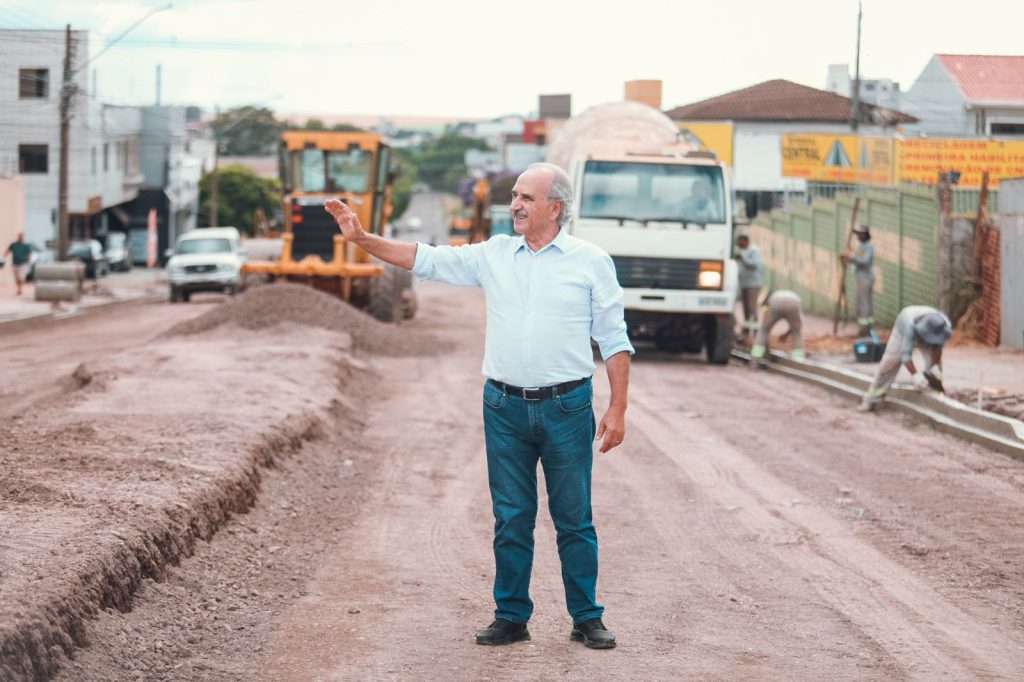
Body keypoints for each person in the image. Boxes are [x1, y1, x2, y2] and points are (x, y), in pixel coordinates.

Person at [324, 162, 633, 650]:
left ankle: (586, 617)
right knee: (511, 517)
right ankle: (511, 615)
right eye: (514, 195)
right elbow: (423, 258)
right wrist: (362, 238)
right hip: (504, 407)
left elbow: (614, 339)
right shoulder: (493, 254)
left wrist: (617, 409)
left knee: (574, 518)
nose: (514, 204)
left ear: (555, 207)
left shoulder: (590, 261)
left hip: (567, 407)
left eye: (526, 198)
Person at [859, 305, 951, 412]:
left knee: (935, 370)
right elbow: (905, 355)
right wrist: (915, 375)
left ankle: (934, 398)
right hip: (902, 331)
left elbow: (937, 348)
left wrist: (934, 367)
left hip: (929, 333)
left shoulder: (944, 325)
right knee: (889, 362)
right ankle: (872, 399)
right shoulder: (910, 325)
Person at [749, 289, 804, 366]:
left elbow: (765, 318)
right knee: (796, 333)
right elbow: (798, 326)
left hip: (775, 302)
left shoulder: (772, 297)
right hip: (793, 303)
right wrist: (786, 334)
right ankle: (799, 361)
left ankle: (755, 359)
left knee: (763, 331)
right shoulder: (795, 298)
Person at [842, 224, 874, 336]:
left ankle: (865, 330)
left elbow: (864, 261)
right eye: (857, 233)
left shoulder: (868, 246)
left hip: (865, 277)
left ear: (865, 234)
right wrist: (847, 257)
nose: (858, 235)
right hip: (860, 277)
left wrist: (851, 256)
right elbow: (855, 259)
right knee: (861, 303)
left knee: (864, 303)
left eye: (861, 233)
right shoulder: (860, 245)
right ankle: (864, 328)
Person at [734, 234, 764, 338]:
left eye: (739, 242)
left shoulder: (753, 250)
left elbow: (755, 264)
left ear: (745, 241)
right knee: (746, 307)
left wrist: (743, 259)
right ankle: (746, 329)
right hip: (744, 283)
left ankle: (755, 330)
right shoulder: (744, 251)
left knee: (752, 306)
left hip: (753, 284)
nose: (738, 245)